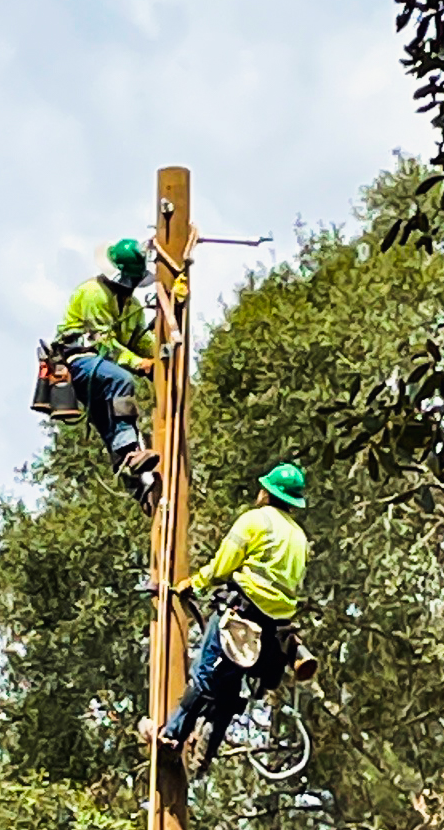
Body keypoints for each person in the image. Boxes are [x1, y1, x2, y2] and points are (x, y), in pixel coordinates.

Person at [141, 463, 310, 773]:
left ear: (266, 492)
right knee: (229, 690)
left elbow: (222, 567)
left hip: (239, 617)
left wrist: (194, 582)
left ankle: (171, 735)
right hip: (271, 634)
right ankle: (206, 751)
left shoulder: (254, 521)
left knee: (205, 676)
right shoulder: (300, 538)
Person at [55, 238, 180, 506]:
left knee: (111, 425)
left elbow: (137, 339)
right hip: (80, 361)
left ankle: (139, 485)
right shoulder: (93, 293)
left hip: (102, 369)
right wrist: (138, 364)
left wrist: (156, 355)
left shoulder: (132, 306)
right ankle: (129, 451)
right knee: (121, 380)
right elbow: (104, 343)